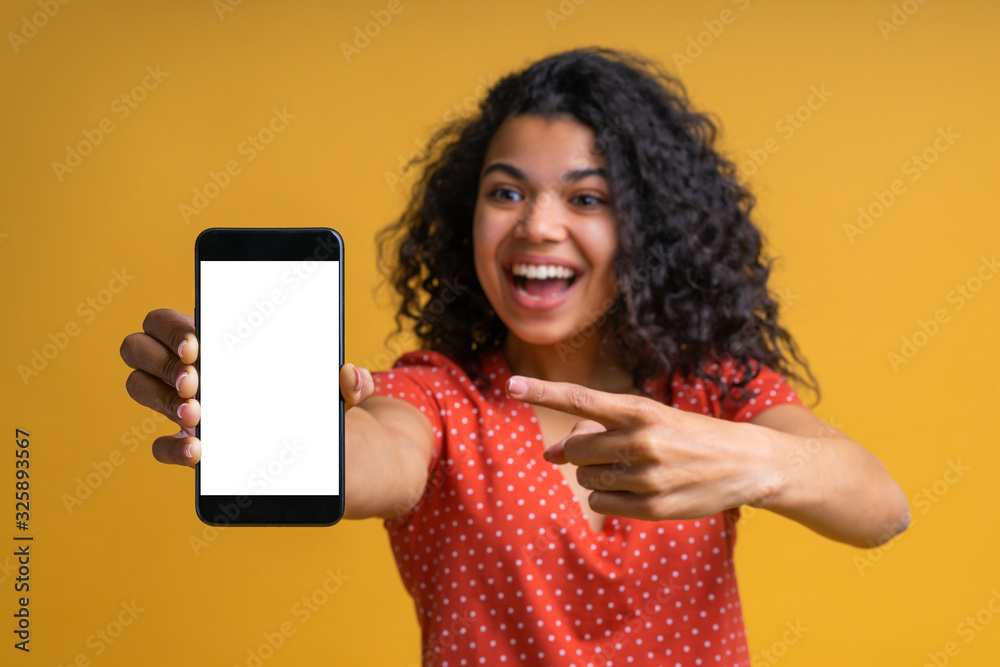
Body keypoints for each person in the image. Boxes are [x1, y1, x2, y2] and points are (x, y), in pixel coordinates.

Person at [120, 47, 909, 666]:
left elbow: (882, 506)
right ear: (467, 220)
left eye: (586, 197)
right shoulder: (438, 395)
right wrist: (275, 424)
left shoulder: (708, 390)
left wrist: (751, 459)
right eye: (506, 192)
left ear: (649, 228)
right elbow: (377, 455)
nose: (536, 224)